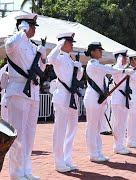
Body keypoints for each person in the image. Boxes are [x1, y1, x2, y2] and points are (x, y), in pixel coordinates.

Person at [5, 13, 46, 180]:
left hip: (33, 92)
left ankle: (26, 170)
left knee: (30, 134)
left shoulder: (32, 46)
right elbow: (10, 45)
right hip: (18, 91)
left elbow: (41, 70)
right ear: (24, 26)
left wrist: (43, 56)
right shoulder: (14, 41)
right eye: (32, 26)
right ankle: (16, 173)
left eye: (34, 26)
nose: (34, 29)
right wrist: (22, 31)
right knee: (18, 134)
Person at [48, 32, 83, 172]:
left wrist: (79, 68)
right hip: (62, 96)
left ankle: (67, 159)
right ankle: (59, 161)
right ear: (63, 43)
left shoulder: (69, 59)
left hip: (72, 97)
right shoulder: (59, 58)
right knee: (60, 130)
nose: (72, 44)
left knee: (72, 129)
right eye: (69, 42)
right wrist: (58, 45)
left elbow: (78, 79)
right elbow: (50, 59)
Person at [83, 42, 123, 161]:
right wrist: (124, 71)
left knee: (98, 126)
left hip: (99, 99)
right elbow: (108, 69)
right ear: (92, 52)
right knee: (92, 126)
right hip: (92, 98)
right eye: (98, 50)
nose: (101, 52)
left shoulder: (98, 65)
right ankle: (93, 153)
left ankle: (98, 151)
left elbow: (107, 73)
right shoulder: (92, 64)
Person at [110, 50, 133, 154]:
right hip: (118, 98)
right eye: (123, 57)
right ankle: (117, 146)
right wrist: (121, 64)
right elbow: (116, 71)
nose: (125, 59)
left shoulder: (124, 69)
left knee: (123, 123)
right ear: (119, 58)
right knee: (117, 123)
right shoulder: (116, 68)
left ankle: (121, 145)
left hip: (124, 98)